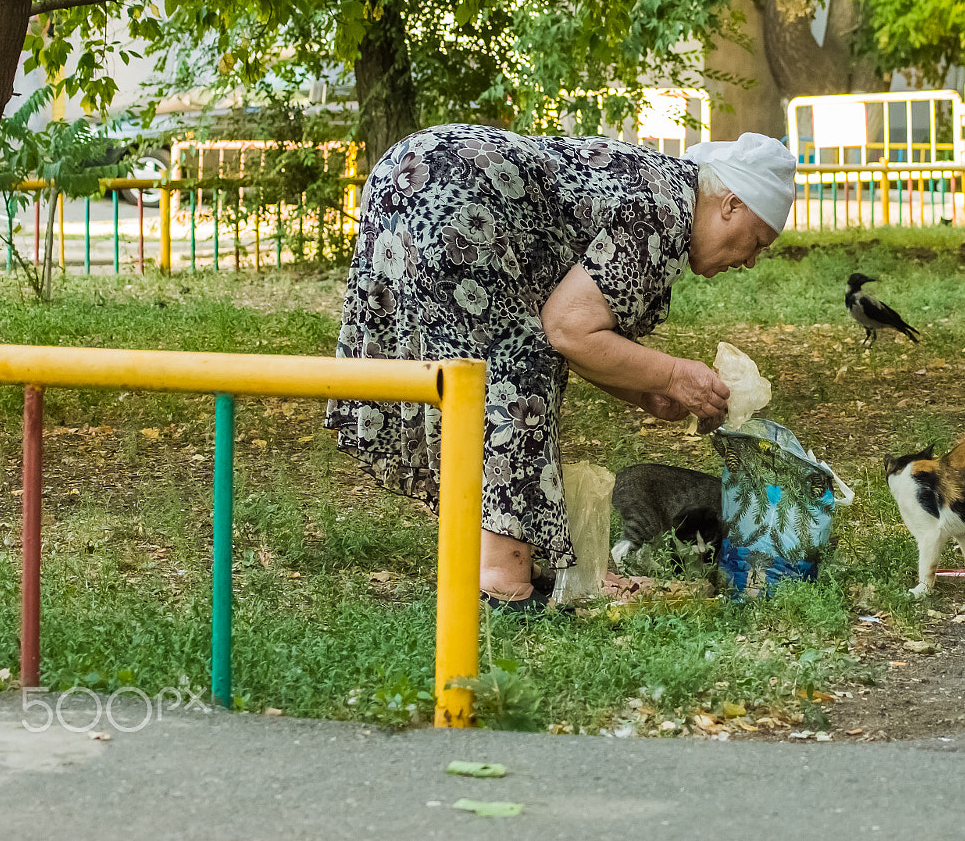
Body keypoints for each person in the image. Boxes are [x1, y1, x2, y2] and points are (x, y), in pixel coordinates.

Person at [325, 126, 795, 611]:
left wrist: (644, 389)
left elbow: (577, 330)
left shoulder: (661, 187)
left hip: (410, 172)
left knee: (482, 372)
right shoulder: (664, 211)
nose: (752, 261)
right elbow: (567, 331)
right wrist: (675, 375)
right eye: (758, 241)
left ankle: (498, 559)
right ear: (731, 204)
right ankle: (501, 581)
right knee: (519, 359)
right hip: (457, 190)